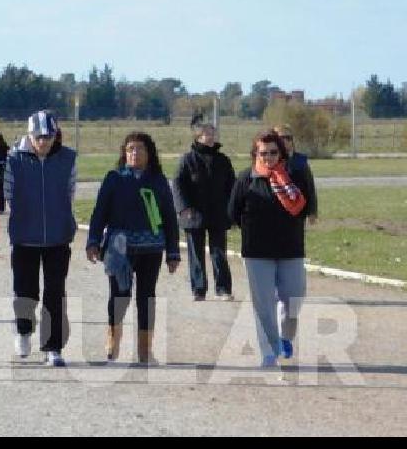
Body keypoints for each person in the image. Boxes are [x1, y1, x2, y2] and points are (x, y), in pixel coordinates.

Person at [86, 132, 180, 363]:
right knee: (120, 296)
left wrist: (173, 252)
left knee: (146, 297)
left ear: (149, 154)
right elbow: (100, 212)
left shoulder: (158, 181)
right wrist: (93, 241)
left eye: (140, 149)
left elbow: (169, 216)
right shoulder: (114, 178)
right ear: (124, 153)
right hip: (119, 251)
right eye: (130, 149)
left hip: (151, 249)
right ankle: (112, 338)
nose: (135, 153)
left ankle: (145, 349)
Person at [228, 130, 310, 367]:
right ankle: (269, 352)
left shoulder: (295, 176)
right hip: (257, 252)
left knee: (294, 299)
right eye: (263, 153)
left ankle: (285, 337)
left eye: (273, 152)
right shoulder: (247, 178)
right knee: (263, 304)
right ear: (256, 154)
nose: (268, 157)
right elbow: (232, 212)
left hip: (290, 249)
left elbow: (304, 208)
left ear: (281, 153)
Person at [4, 111, 77, 366]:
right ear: (30, 136)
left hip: (58, 237)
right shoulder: (14, 159)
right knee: (25, 290)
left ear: (55, 136)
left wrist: (64, 220)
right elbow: (9, 194)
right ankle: (23, 330)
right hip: (25, 237)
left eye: (48, 137)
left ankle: (53, 346)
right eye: (38, 137)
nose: (43, 142)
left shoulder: (67, 159)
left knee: (55, 292)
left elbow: (70, 192)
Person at [172, 123, 236, 301]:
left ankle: (223, 288)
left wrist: (233, 208)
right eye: (207, 134)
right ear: (198, 137)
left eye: (213, 133)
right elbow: (177, 184)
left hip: (218, 213)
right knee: (196, 254)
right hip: (194, 214)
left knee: (219, 252)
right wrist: (184, 208)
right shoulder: (187, 160)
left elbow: (232, 185)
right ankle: (199, 289)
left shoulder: (223, 160)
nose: (211, 136)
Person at [273, 124, 318, 224]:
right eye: (280, 138)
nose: (284, 141)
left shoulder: (300, 161)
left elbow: (309, 187)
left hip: (297, 211)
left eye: (288, 138)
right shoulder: (269, 160)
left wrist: (312, 212)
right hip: (274, 211)